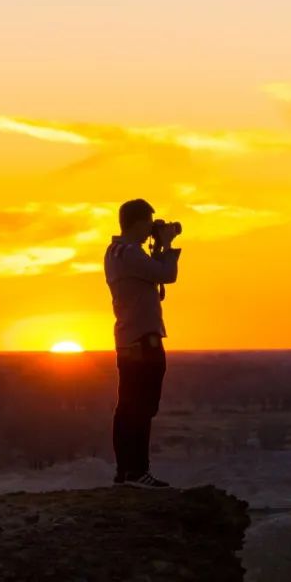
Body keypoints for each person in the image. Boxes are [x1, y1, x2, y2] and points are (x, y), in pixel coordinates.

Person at [104, 198, 181, 489]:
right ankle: (137, 472)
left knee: (128, 407)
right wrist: (167, 246)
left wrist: (157, 247)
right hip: (142, 340)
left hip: (129, 338)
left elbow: (153, 276)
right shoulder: (129, 253)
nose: (153, 227)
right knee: (141, 407)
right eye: (150, 222)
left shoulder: (116, 252)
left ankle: (127, 472)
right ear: (138, 222)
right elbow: (166, 275)